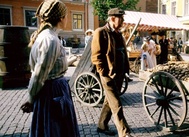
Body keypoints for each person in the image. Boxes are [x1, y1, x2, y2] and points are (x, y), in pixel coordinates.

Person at [20, 0, 80, 136]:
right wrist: (30, 99)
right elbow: (39, 74)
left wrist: (70, 61)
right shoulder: (50, 40)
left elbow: (51, 66)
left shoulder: (48, 37)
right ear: (61, 18)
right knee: (54, 131)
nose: (67, 19)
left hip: (53, 91)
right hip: (52, 93)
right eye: (66, 16)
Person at [91, 8, 133, 137]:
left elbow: (123, 52)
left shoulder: (118, 33)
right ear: (113, 18)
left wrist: (126, 69)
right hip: (108, 75)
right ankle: (124, 133)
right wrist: (103, 73)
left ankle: (102, 126)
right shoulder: (100, 32)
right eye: (121, 18)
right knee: (116, 104)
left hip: (119, 75)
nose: (123, 20)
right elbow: (96, 56)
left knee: (109, 102)